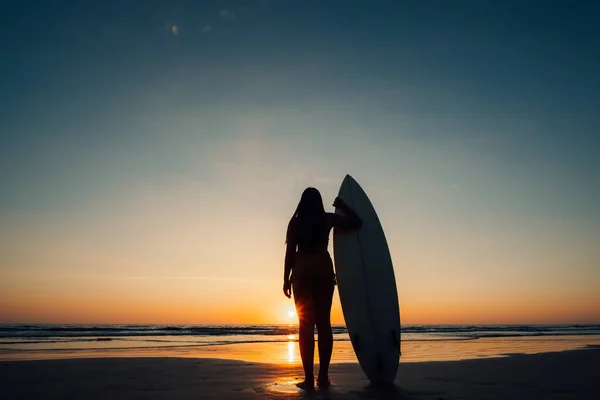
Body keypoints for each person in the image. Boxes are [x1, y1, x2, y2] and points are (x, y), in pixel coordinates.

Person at [283, 187, 363, 390]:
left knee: (305, 326)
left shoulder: (296, 223)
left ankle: (309, 379)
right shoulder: (327, 219)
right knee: (324, 324)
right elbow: (356, 223)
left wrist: (285, 279)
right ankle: (323, 377)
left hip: (302, 270)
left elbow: (290, 251)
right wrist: (343, 206)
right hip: (323, 269)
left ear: (302, 203)